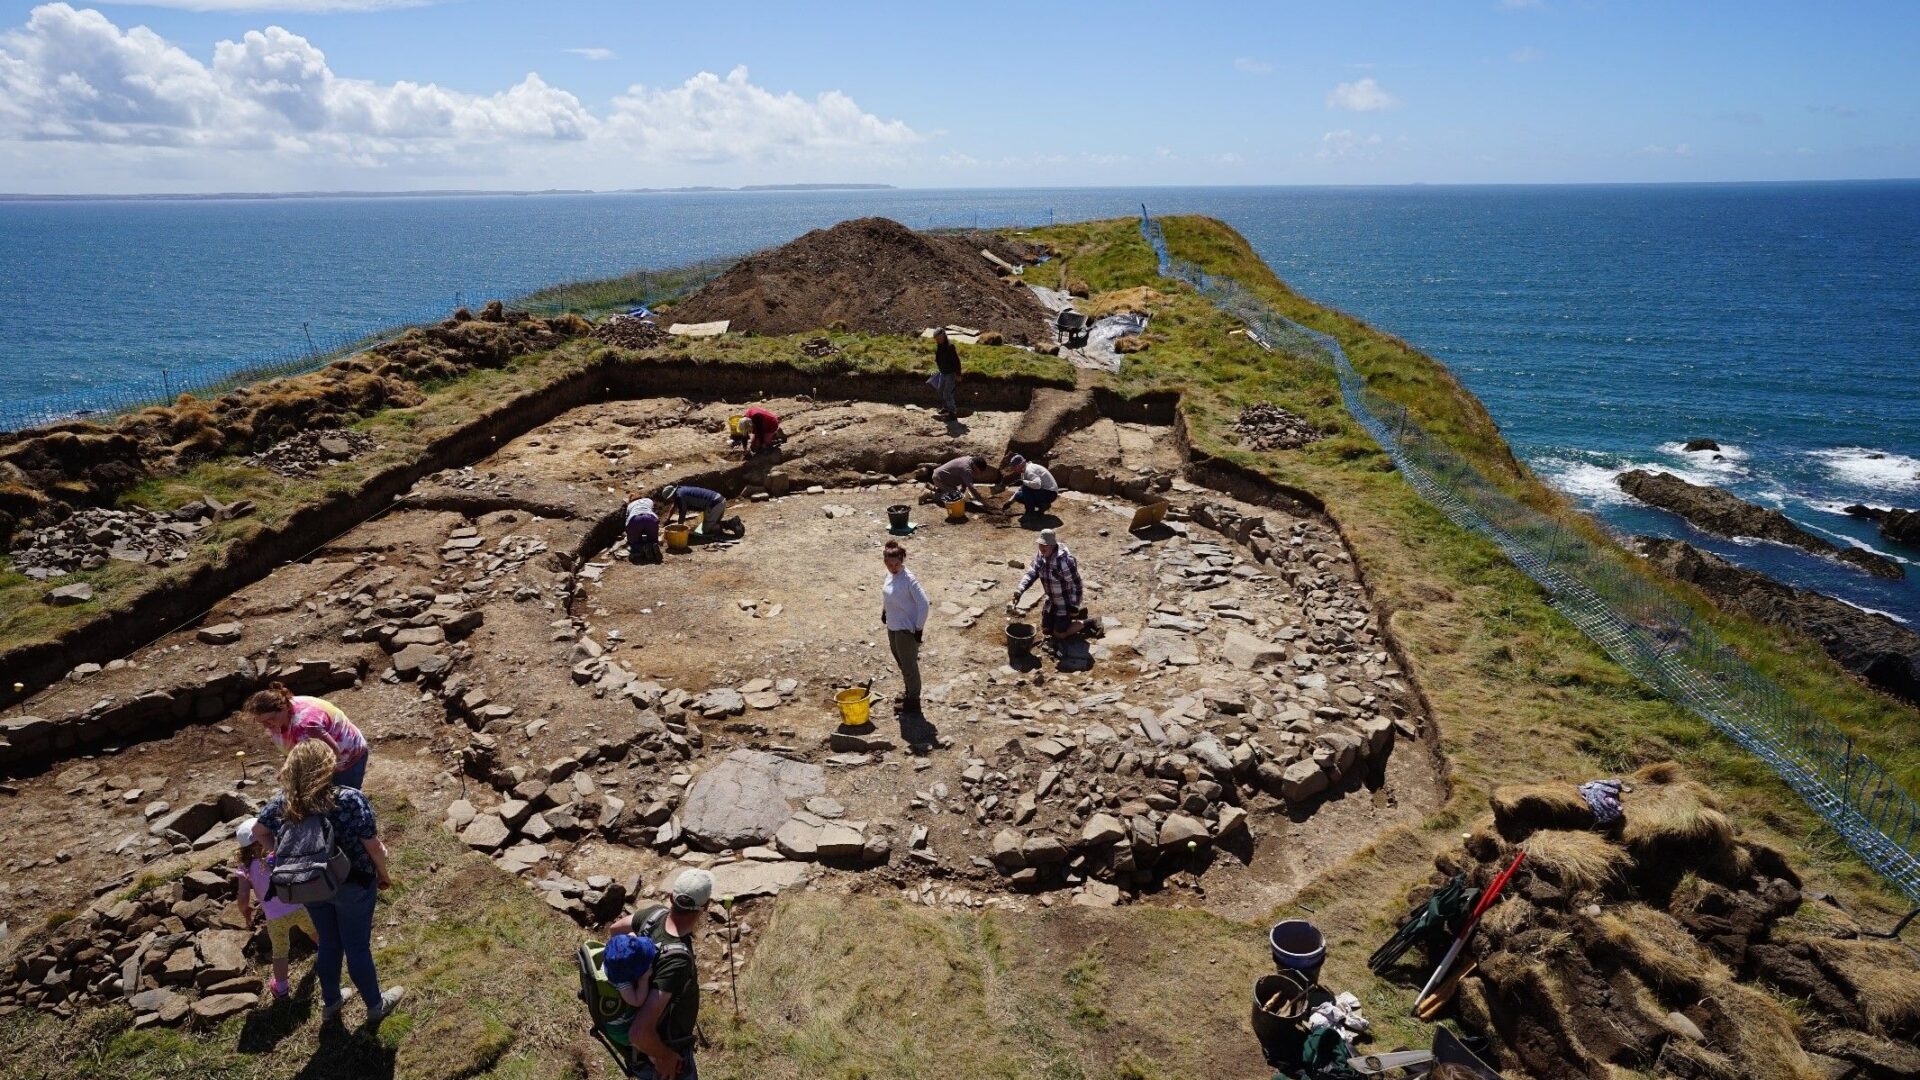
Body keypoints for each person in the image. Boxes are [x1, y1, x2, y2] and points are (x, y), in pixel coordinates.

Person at [254, 741, 404, 1027]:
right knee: (357, 946)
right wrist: (383, 875)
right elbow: (372, 845)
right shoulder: (348, 798)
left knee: (329, 943)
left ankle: (331, 1002)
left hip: (309, 884)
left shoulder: (282, 803)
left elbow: (259, 831)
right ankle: (375, 1004)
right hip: (352, 882)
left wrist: (280, 855)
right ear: (327, 766)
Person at [606, 868, 712, 1080]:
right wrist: (666, 1058)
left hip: (636, 1044)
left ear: (671, 897)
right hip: (660, 1046)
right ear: (705, 907)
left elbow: (616, 930)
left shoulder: (653, 915)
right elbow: (639, 1033)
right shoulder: (677, 961)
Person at [232, 816, 317, 1000]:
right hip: (299, 905)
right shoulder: (277, 854)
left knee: (280, 952)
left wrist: (245, 911)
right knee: (314, 931)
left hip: (274, 917)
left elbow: (243, 896)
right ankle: (329, 953)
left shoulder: (245, 867)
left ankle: (281, 988)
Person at [246, 683, 370, 790]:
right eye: (261, 722)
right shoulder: (282, 709)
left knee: (344, 800)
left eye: (269, 720)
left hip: (347, 760)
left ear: (283, 708)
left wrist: (313, 779)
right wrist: (289, 766)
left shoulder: (305, 726)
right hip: (329, 759)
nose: (266, 726)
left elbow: (333, 754)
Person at [880, 540, 930, 716]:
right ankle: (909, 693)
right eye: (890, 564)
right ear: (885, 562)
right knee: (901, 663)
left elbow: (924, 604)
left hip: (905, 629)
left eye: (897, 564)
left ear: (902, 561)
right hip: (893, 626)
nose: (894, 567)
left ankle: (914, 702)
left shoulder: (909, 579)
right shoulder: (889, 575)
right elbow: (888, 594)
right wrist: (884, 611)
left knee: (909, 666)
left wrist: (919, 628)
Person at [1010, 528, 1088, 640]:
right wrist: (1019, 590)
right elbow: (1032, 573)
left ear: (1052, 544)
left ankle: (1087, 621)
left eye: (1045, 545)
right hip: (1051, 601)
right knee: (1046, 630)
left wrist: (1074, 605)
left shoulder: (1064, 561)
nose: (1042, 547)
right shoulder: (1041, 555)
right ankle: (1075, 615)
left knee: (1059, 635)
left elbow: (1076, 584)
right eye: (1040, 544)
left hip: (1065, 603)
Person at [604, 930, 660, 1066]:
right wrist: (643, 979)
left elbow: (626, 943)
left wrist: (633, 941)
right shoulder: (622, 983)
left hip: (614, 1021)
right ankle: (654, 1058)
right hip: (622, 1030)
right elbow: (637, 1001)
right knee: (647, 1041)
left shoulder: (612, 959)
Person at [660, 483, 741, 540]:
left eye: (669, 499)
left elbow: (682, 513)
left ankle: (729, 524)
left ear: (671, 496)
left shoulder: (679, 496)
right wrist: (668, 519)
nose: (669, 500)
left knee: (705, 530)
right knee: (702, 526)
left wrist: (679, 529)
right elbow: (673, 507)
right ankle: (723, 524)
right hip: (718, 500)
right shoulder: (680, 490)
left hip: (715, 505)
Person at [928, 329, 961, 418]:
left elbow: (956, 362)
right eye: (936, 339)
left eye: (938, 338)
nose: (937, 340)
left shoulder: (950, 347)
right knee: (941, 390)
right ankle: (946, 408)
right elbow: (939, 358)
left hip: (950, 374)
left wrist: (958, 374)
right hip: (942, 372)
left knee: (947, 393)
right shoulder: (939, 345)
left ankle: (952, 413)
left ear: (943, 335)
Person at [625, 493, 662, 565]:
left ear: (631, 500)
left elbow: (627, 519)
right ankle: (653, 545)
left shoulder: (630, 505)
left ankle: (641, 549)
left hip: (635, 519)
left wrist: (629, 534)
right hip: (650, 518)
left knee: (635, 542)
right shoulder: (648, 500)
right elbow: (652, 509)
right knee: (653, 538)